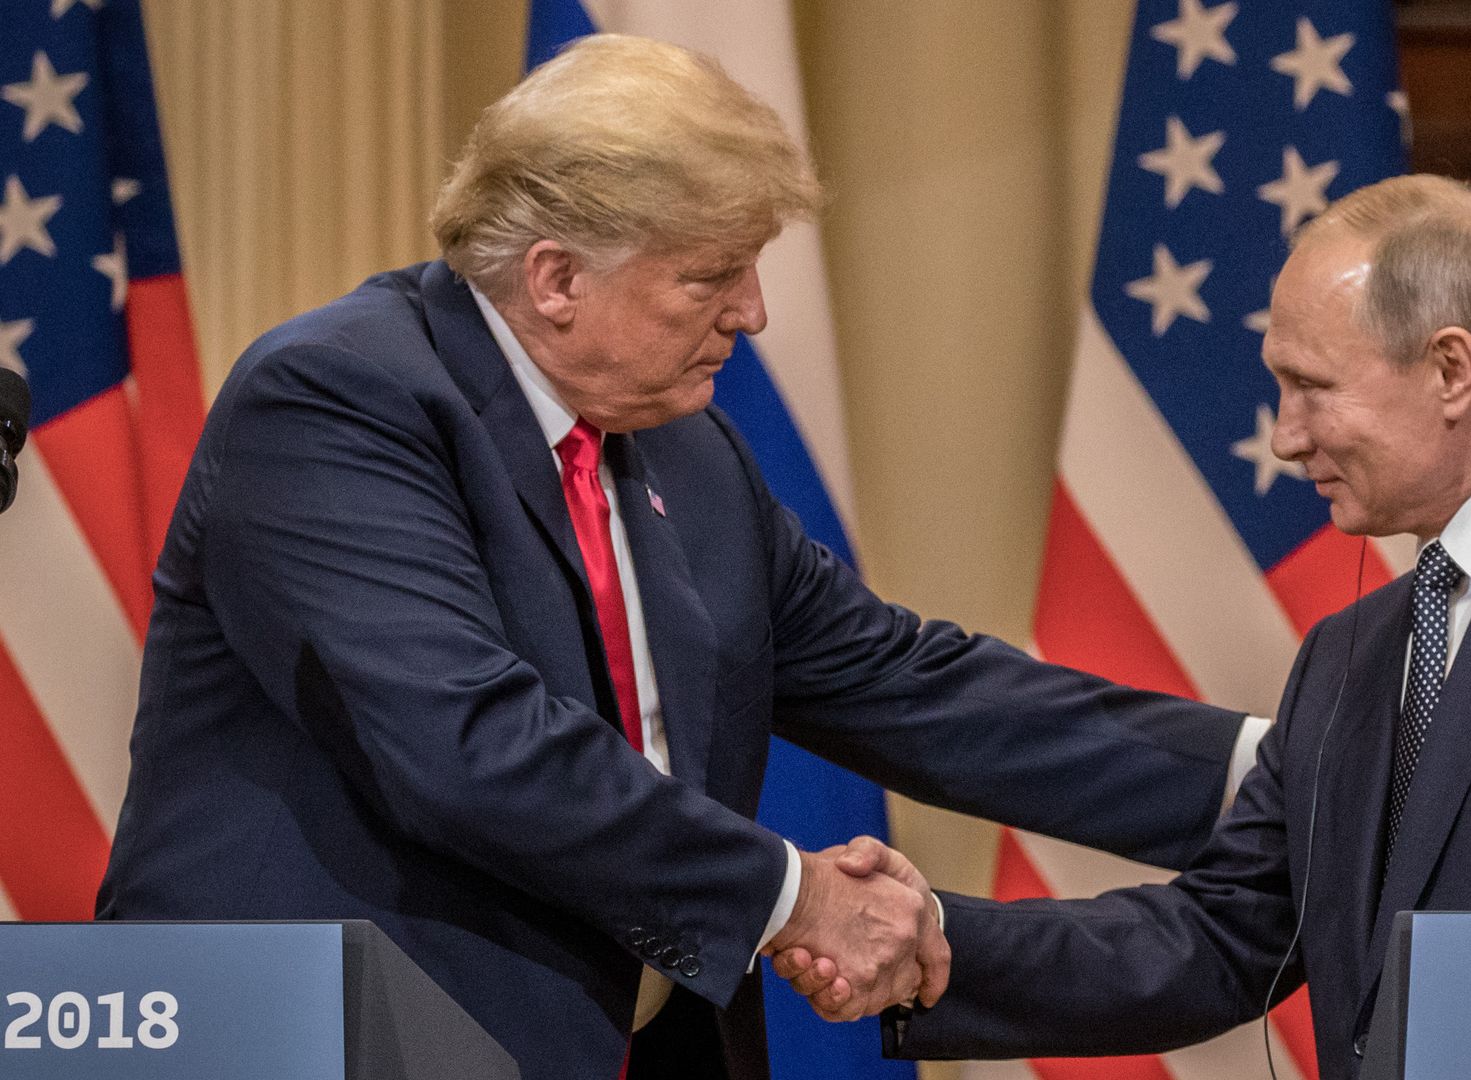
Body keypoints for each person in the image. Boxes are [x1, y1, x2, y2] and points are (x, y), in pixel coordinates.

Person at [93, 34, 1264, 1080]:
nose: (753, 313)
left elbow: (909, 683)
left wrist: (1275, 774)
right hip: (335, 1038)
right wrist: (796, 897)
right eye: (711, 276)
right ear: (554, 278)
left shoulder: (687, 452)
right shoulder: (338, 399)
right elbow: (471, 743)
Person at [778, 174, 1471, 1080]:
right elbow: (1215, 941)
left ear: (1451, 368)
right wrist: (928, 944)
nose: (1287, 437)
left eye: (1310, 388)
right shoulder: (1353, 655)